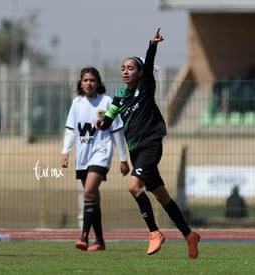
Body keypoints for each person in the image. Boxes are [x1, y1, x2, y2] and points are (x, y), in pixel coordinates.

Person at [95, 28, 201, 259]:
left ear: (141, 73)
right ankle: (189, 235)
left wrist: (152, 46)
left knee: (134, 187)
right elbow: (108, 120)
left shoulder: (145, 87)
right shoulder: (120, 96)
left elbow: (149, 61)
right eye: (123, 68)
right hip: (135, 150)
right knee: (162, 196)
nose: (125, 71)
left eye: (130, 68)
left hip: (151, 144)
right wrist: (100, 123)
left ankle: (154, 233)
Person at [61, 67, 130, 251]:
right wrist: (65, 152)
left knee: (88, 192)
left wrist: (123, 159)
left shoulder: (106, 102)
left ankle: (84, 237)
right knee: (93, 197)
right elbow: (70, 130)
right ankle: (99, 241)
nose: (89, 83)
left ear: (98, 82)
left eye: (92, 80)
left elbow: (116, 131)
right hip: (83, 155)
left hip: (101, 153)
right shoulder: (77, 103)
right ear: (80, 83)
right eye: (85, 80)